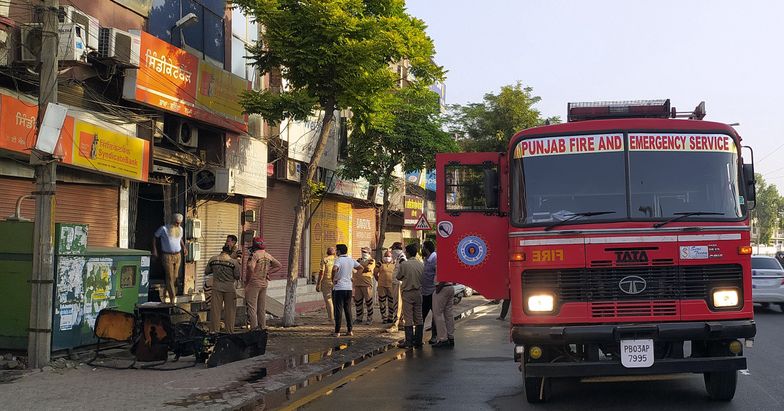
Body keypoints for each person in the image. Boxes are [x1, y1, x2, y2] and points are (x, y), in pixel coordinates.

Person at [245, 237, 282, 330]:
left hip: (254, 282)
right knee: (261, 307)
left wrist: (247, 281)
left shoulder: (255, 255)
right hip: (264, 283)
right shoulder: (268, 255)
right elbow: (279, 266)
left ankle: (254, 329)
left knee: (252, 307)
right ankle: (262, 327)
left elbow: (250, 268)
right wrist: (268, 272)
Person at [152, 213, 188, 303]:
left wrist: (184, 247)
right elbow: (155, 237)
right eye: (176, 223)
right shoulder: (164, 229)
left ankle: (168, 292)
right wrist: (155, 250)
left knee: (175, 276)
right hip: (167, 255)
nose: (178, 224)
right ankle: (173, 298)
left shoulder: (180, 229)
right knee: (170, 276)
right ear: (173, 221)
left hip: (178, 255)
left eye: (179, 223)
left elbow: (180, 239)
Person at [206, 245, 241, 333]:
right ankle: (229, 331)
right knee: (230, 311)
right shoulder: (234, 262)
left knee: (215, 311)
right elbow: (237, 276)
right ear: (231, 253)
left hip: (216, 287)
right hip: (229, 288)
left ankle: (214, 331)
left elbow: (207, 271)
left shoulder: (213, 259)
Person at [396, 243, 424, 349]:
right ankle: (418, 340)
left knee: (408, 318)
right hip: (418, 292)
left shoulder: (404, 265)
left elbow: (398, 277)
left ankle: (408, 341)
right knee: (419, 317)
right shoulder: (421, 264)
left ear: (407, 253)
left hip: (407, 292)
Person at [428, 241, 455, 348]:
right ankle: (451, 337)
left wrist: (438, 288)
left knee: (438, 314)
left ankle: (442, 339)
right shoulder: (450, 260)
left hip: (442, 288)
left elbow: (442, 276)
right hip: (450, 287)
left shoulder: (442, 261)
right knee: (449, 314)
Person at [332, 243, 362, 337]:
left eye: (336, 250)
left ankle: (337, 331)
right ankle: (350, 330)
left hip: (339, 288)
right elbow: (361, 268)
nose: (336, 252)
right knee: (348, 309)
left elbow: (334, 269)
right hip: (348, 288)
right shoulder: (351, 260)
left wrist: (333, 279)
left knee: (338, 310)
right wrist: (354, 277)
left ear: (339, 251)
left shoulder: (338, 260)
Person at [421, 240, 438, 344]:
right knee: (421, 315)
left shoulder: (435, 259)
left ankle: (434, 336)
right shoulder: (426, 259)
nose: (422, 249)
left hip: (433, 292)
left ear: (426, 248)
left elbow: (437, 275)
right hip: (425, 292)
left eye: (423, 247)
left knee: (435, 316)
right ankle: (418, 337)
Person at [354, 246, 376, 325]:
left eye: (365, 252)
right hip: (357, 283)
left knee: (368, 302)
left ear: (369, 253)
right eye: (362, 252)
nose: (363, 253)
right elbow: (354, 267)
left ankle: (370, 318)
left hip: (366, 284)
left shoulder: (371, 260)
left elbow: (368, 269)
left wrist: (359, 267)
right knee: (358, 302)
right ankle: (359, 318)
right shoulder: (359, 260)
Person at [388, 242, 407, 331]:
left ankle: (396, 323)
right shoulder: (399, 258)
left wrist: (400, 280)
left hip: (399, 283)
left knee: (397, 303)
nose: (391, 252)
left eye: (393, 249)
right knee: (398, 303)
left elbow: (404, 271)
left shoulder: (402, 258)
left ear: (396, 249)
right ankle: (401, 322)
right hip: (397, 283)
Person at [316, 247, 337, 324]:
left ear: (327, 252)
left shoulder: (325, 260)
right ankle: (336, 317)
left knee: (328, 300)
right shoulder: (337, 260)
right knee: (335, 300)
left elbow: (321, 272)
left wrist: (318, 283)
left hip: (326, 281)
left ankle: (331, 319)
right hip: (336, 282)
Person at [375, 250, 396, 324]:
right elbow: (375, 273)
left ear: (391, 257)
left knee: (391, 302)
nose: (387, 257)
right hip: (382, 286)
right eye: (386, 256)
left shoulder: (395, 263)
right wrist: (378, 280)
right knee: (382, 302)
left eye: (389, 256)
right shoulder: (380, 263)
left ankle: (391, 317)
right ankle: (384, 318)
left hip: (391, 286)